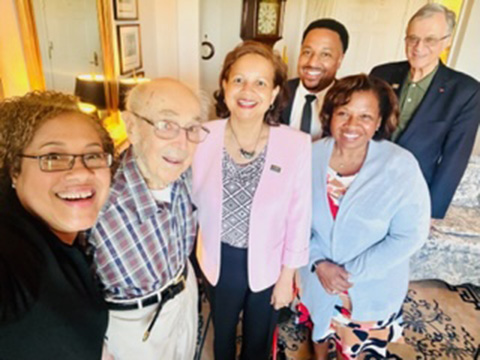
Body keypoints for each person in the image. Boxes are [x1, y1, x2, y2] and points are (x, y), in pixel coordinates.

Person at [193, 41, 311, 360]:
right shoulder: (201, 137)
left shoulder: (296, 145)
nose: (248, 90)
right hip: (218, 258)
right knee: (223, 334)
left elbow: (299, 217)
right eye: (239, 80)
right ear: (224, 85)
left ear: (274, 93)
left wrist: (288, 277)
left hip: (270, 262)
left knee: (259, 339)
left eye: (261, 82)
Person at [299, 74, 431, 360]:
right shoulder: (307, 157)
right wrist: (318, 262)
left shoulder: (401, 165)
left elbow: (410, 234)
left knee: (355, 352)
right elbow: (292, 220)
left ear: (380, 121)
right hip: (317, 279)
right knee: (319, 335)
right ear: (329, 114)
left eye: (364, 116)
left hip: (370, 289)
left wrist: (348, 274)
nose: (351, 125)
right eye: (343, 113)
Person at [88, 78, 208, 360]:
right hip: (132, 322)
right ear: (131, 127)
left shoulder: (183, 173)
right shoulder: (97, 202)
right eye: (166, 125)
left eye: (191, 128)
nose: (182, 143)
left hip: (184, 294)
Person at [0, 91, 114, 359]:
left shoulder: (69, 238)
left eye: (93, 155)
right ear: (14, 170)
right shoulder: (12, 254)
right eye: (52, 157)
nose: (81, 172)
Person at [370, 3, 480, 219]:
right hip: (367, 181)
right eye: (412, 38)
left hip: (412, 194)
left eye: (429, 39)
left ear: (446, 42)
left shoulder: (466, 91)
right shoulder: (381, 74)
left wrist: (430, 212)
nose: (418, 47)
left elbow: (454, 160)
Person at [281, 18, 349, 141]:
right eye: (307, 52)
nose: (312, 62)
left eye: (325, 54)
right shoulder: (278, 93)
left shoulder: (348, 99)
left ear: (340, 60)